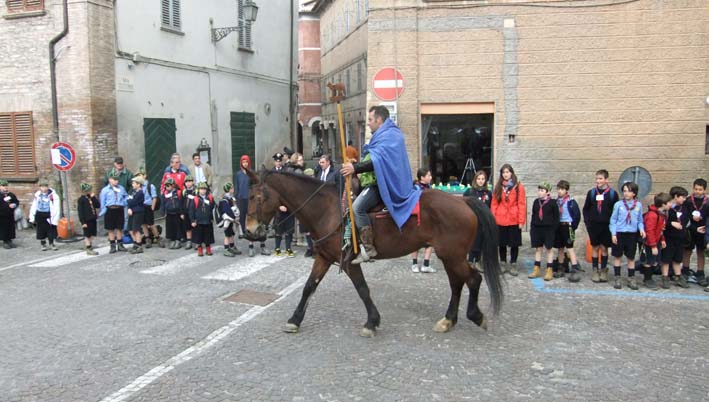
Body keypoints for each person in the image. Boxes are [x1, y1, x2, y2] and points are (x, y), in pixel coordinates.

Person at [340, 106, 422, 264]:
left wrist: (355, 168)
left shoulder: (390, 135)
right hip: (378, 181)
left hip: (386, 184)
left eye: (370, 120)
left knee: (357, 208)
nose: (368, 123)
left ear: (379, 120)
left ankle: (369, 248)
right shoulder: (383, 135)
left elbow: (378, 161)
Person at [582, 169, 619, 283]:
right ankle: (595, 269)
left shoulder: (612, 194)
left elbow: (615, 211)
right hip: (593, 225)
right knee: (595, 247)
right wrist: (587, 222)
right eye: (597, 178)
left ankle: (603, 269)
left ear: (606, 180)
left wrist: (614, 225)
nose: (598, 181)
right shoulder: (592, 193)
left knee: (604, 248)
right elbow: (586, 208)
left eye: (600, 179)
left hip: (606, 226)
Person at [490, 164, 526, 276]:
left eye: (507, 172)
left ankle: (513, 264)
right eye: (503, 172)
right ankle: (503, 263)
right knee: (502, 243)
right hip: (500, 219)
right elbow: (494, 203)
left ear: (511, 173)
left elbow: (521, 204)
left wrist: (521, 221)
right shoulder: (498, 186)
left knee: (514, 244)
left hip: (514, 219)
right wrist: (493, 218)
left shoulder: (518, 186)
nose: (505, 174)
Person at [609, 182, 646, 290]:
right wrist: (613, 233)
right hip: (620, 233)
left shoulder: (638, 205)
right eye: (624, 191)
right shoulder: (618, 205)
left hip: (632, 234)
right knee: (617, 256)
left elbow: (640, 220)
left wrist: (641, 229)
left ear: (634, 193)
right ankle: (617, 277)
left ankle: (631, 278)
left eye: (629, 191)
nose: (626, 193)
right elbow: (613, 220)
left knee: (631, 257)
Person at [234, 154, 269, 257]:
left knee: (259, 222)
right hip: (242, 198)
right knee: (249, 222)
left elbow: (257, 186)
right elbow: (236, 186)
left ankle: (263, 245)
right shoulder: (238, 174)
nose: (245, 164)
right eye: (243, 162)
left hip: (253, 200)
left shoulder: (253, 173)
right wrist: (236, 198)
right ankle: (250, 245)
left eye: (246, 162)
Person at [528, 182, 559, 281]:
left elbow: (556, 217)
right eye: (539, 190)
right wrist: (532, 228)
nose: (539, 192)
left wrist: (553, 229)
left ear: (547, 192)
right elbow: (534, 215)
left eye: (542, 190)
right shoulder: (536, 202)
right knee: (538, 249)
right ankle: (536, 269)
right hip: (537, 228)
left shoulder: (553, 203)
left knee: (549, 249)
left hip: (548, 229)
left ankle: (549, 269)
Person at [660, 186, 689, 289]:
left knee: (678, 258)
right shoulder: (667, 208)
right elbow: (661, 221)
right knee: (666, 258)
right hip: (669, 237)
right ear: (676, 196)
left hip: (680, 238)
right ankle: (665, 277)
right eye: (682, 197)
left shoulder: (684, 207)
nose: (684, 199)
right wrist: (671, 223)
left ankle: (678, 276)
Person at [554, 180, 582, 282]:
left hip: (568, 226)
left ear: (566, 190)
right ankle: (561, 267)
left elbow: (577, 215)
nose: (560, 191)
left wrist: (573, 227)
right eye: (558, 189)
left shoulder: (571, 202)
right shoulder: (556, 201)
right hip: (559, 226)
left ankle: (574, 268)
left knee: (570, 247)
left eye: (562, 189)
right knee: (560, 248)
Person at [642, 192, 671, 290]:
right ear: (663, 204)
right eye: (669, 203)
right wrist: (653, 246)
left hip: (657, 240)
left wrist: (662, 240)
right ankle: (647, 279)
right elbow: (650, 231)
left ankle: (649, 278)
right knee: (649, 261)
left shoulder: (662, 214)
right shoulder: (652, 215)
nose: (671, 204)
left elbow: (661, 229)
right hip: (650, 242)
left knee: (655, 261)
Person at [682, 178, 709, 286]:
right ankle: (685, 271)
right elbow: (684, 215)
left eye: (700, 189)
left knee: (700, 252)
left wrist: (705, 226)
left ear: (705, 190)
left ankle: (700, 273)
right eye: (696, 189)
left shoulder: (707, 202)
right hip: (690, 229)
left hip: (703, 230)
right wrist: (691, 217)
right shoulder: (688, 201)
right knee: (687, 250)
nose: (697, 191)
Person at [464, 170, 492, 271]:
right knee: (473, 241)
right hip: (473, 221)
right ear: (475, 179)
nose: (481, 181)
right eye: (479, 179)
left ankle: (478, 261)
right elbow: (464, 205)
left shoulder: (488, 193)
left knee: (481, 242)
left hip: (484, 222)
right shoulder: (469, 191)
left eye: (483, 179)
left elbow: (491, 207)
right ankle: (470, 261)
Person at [411, 168, 435, 273]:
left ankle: (426, 264)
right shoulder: (415, 188)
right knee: (415, 241)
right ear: (422, 177)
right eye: (428, 175)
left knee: (430, 241)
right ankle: (414, 264)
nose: (430, 177)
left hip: (428, 218)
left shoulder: (430, 187)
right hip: (417, 218)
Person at [272, 152, 295, 257]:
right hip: (277, 205)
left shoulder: (286, 171)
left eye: (280, 161)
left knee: (289, 228)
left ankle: (288, 248)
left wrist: (287, 204)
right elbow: (271, 193)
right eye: (277, 161)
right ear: (274, 162)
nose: (278, 163)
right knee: (278, 228)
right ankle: (277, 248)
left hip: (287, 204)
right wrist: (278, 205)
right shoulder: (271, 173)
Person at [29, 179, 61, 251]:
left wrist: (55, 218)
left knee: (50, 230)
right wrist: (32, 217)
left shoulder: (53, 196)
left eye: (45, 187)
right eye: (42, 187)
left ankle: (51, 243)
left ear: (48, 187)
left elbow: (56, 207)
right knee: (41, 230)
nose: (44, 188)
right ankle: (43, 244)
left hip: (48, 214)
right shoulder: (37, 195)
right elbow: (34, 205)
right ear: (40, 187)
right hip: (40, 214)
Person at [99, 173, 128, 253]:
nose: (116, 181)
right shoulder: (105, 190)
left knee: (119, 228)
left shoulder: (121, 188)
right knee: (110, 228)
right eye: (114, 180)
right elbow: (102, 201)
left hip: (119, 209)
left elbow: (126, 196)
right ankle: (112, 246)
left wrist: (124, 203)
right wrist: (103, 210)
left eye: (117, 180)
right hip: (110, 209)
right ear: (110, 180)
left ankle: (120, 245)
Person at [189, 182, 215, 257]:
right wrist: (192, 220)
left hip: (208, 221)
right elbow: (191, 210)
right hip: (198, 222)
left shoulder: (210, 198)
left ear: (206, 190)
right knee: (199, 237)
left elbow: (213, 208)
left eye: (204, 189)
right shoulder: (195, 199)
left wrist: (212, 218)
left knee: (208, 236)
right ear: (198, 190)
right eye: (201, 189)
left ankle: (208, 248)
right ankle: (200, 249)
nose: (203, 191)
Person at [136, 168, 160, 248]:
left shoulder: (150, 186)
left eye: (140, 175)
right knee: (143, 224)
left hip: (148, 206)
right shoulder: (138, 186)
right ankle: (147, 238)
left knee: (151, 224)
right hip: (141, 207)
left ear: (144, 176)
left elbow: (154, 197)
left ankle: (157, 237)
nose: (139, 177)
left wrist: (152, 207)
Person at [219, 182, 241, 257]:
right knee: (227, 235)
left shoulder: (231, 198)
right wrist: (234, 218)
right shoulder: (224, 200)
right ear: (228, 189)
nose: (233, 189)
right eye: (232, 188)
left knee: (231, 234)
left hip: (231, 220)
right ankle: (226, 249)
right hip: (227, 220)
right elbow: (227, 211)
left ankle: (232, 246)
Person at [77, 182, 100, 255]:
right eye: (88, 190)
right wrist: (83, 222)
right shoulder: (81, 199)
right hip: (86, 220)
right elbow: (80, 212)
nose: (89, 191)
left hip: (93, 218)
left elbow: (98, 205)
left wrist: (93, 198)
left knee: (92, 234)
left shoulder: (91, 197)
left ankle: (90, 245)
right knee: (87, 234)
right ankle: (88, 248)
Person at [161, 178, 183, 249]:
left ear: (173, 185)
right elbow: (163, 203)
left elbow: (181, 203)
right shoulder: (165, 193)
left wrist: (182, 213)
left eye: (168, 185)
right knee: (170, 227)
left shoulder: (178, 192)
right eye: (166, 186)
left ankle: (178, 240)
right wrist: (163, 212)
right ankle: (172, 240)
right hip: (169, 213)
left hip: (177, 213)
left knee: (178, 227)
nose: (167, 187)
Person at [126, 176, 146, 254]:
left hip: (138, 212)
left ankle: (139, 245)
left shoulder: (140, 193)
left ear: (138, 184)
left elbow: (132, 201)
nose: (132, 184)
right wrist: (129, 208)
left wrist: (129, 201)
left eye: (134, 183)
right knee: (130, 229)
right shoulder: (134, 192)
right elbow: (129, 201)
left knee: (136, 229)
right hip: (132, 212)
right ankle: (135, 244)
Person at [0, 179, 19, 249]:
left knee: (10, 228)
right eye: (3, 186)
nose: (5, 187)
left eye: (6, 186)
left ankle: (9, 240)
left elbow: (16, 201)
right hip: (2, 215)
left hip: (10, 215)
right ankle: (5, 241)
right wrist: (6, 206)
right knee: (3, 229)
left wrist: (14, 205)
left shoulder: (11, 194)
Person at [181, 176, 196, 249]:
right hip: (186, 212)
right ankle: (189, 241)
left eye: (190, 181)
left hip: (194, 212)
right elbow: (182, 202)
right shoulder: (184, 191)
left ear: (193, 182)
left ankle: (196, 241)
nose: (188, 183)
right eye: (186, 182)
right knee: (187, 227)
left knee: (195, 227)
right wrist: (182, 213)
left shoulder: (196, 191)